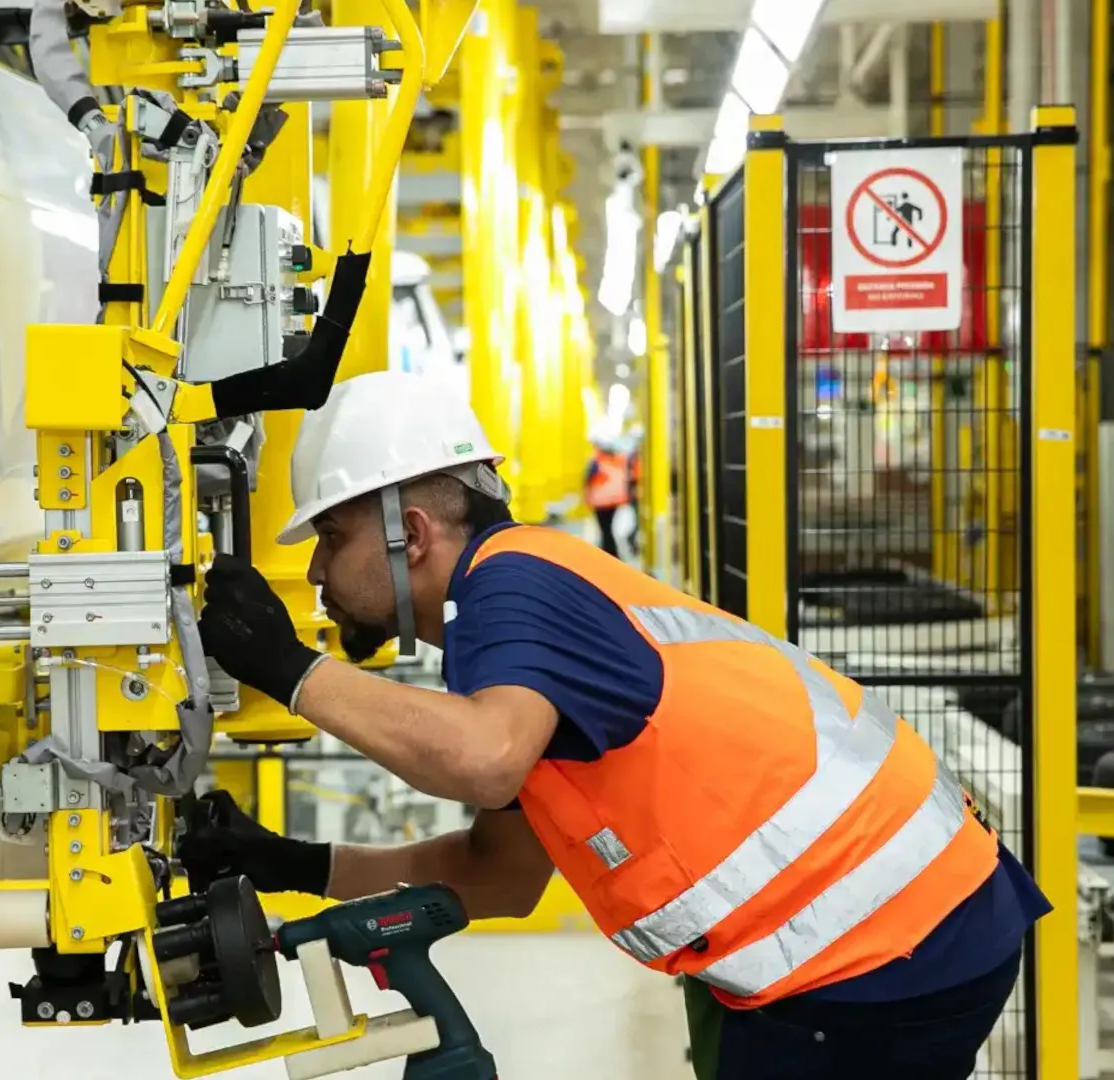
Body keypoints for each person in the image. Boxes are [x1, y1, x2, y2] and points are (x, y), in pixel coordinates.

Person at [184, 370, 1051, 1080]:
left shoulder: (511, 585)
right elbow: (501, 875)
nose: (315, 570)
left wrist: (288, 668)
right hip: (916, 921)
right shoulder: (521, 618)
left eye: (330, 537)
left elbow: (484, 760)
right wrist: (290, 864)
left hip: (875, 950)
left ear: (409, 531)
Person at [583, 437, 637, 557]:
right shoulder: (619, 461)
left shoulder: (596, 462)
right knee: (608, 528)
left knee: (605, 529)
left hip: (600, 503)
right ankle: (609, 552)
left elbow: (587, 479)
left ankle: (610, 553)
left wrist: (586, 496)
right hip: (614, 502)